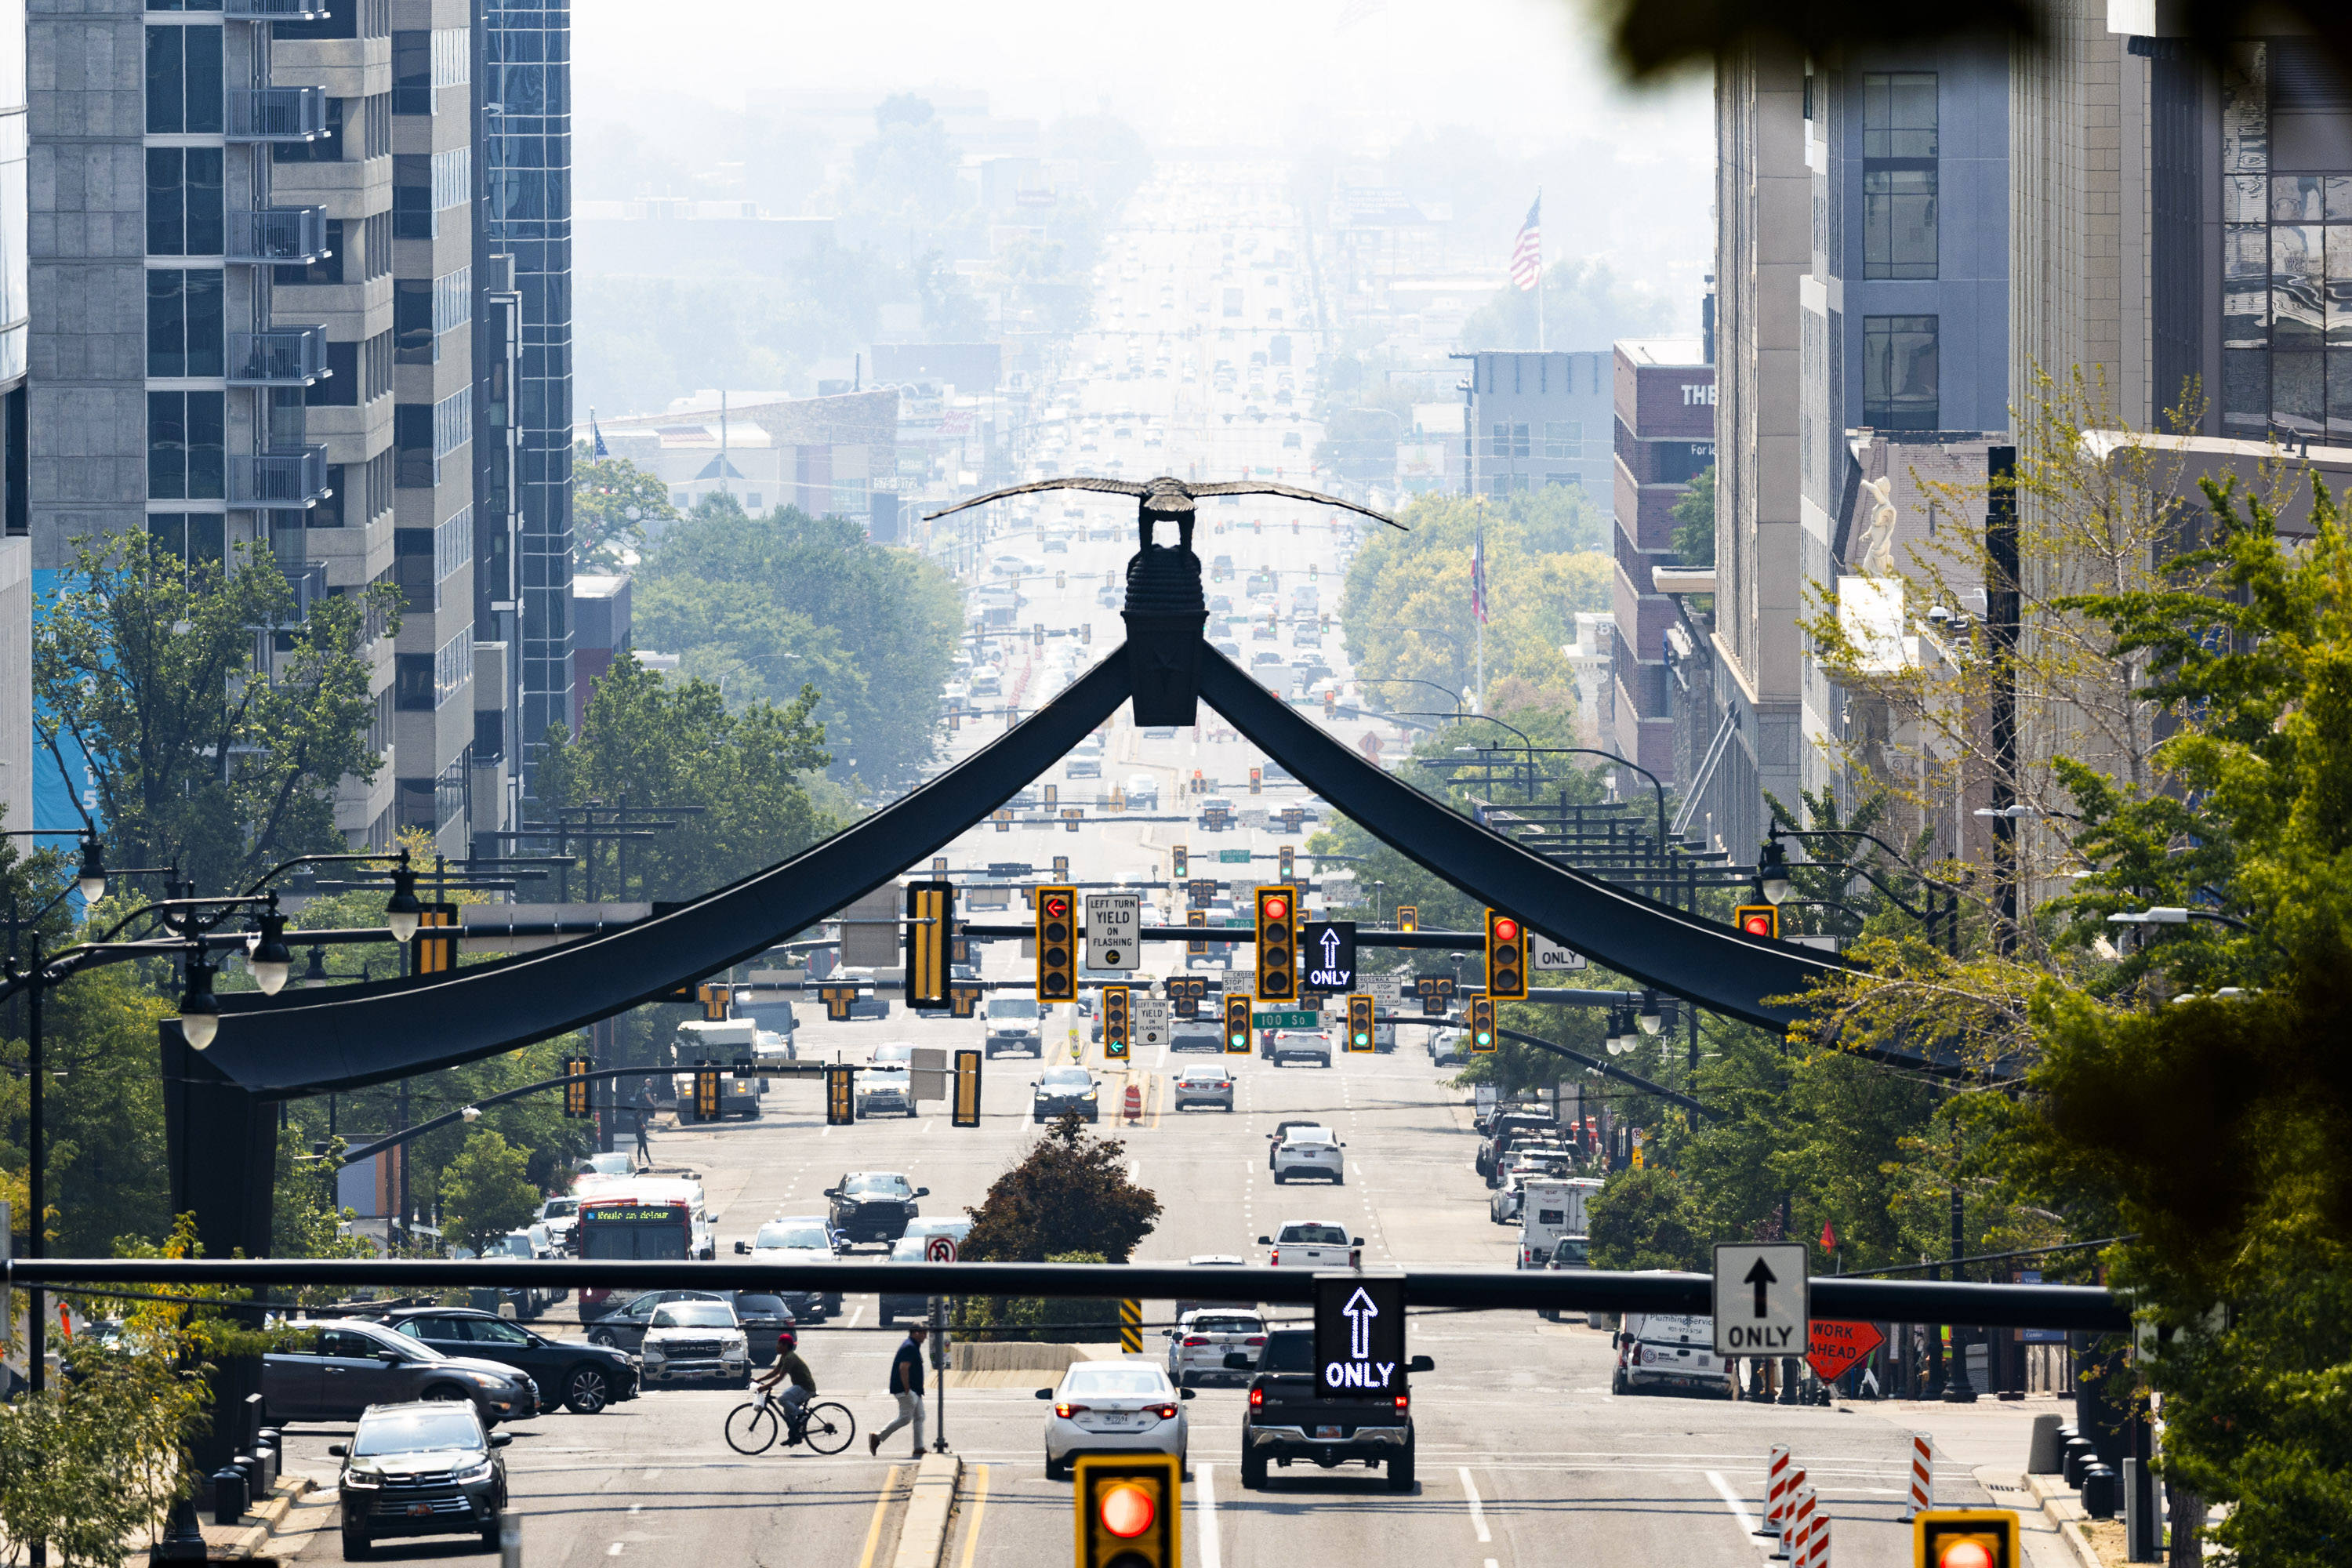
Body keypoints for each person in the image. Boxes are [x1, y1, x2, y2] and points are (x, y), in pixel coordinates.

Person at [868, 1325, 926, 1457]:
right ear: (916, 1333)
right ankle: (877, 1436)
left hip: (915, 1390)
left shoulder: (912, 1345)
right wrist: (907, 1390)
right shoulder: (909, 1347)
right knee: (905, 1418)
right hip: (906, 1390)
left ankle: (918, 1448)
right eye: (923, 1333)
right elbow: (903, 1368)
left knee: (920, 1416)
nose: (925, 1337)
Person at [754, 1328, 816, 1441]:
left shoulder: (790, 1358)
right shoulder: (785, 1356)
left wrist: (765, 1387)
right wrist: (759, 1379)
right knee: (788, 1412)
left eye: (779, 1344)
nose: (776, 1346)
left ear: (785, 1346)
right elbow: (775, 1371)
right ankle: (795, 1434)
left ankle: (803, 1414)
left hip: (806, 1388)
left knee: (782, 1399)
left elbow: (780, 1377)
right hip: (799, 1386)